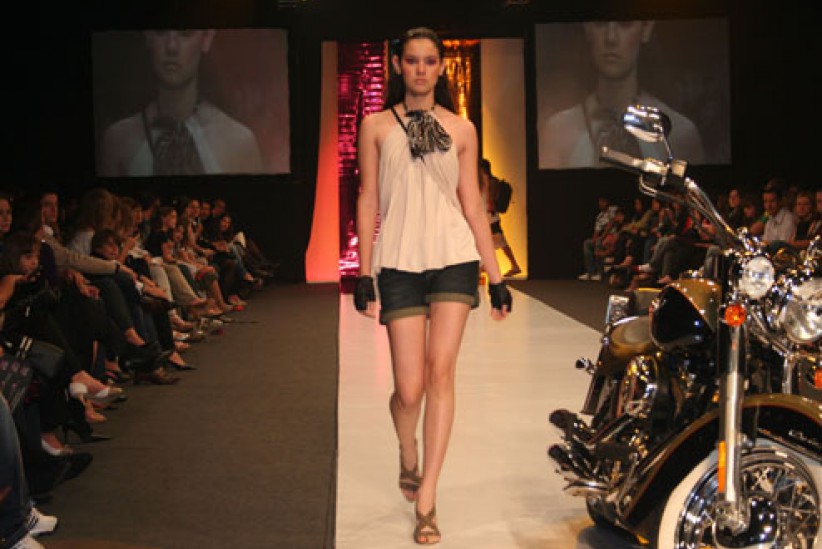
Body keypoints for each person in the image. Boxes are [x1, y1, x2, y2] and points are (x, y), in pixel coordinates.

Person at [354, 27, 511, 545]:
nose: (420, 69)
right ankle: (408, 452)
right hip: (399, 262)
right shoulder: (376, 125)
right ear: (397, 65)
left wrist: (496, 276)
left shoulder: (461, 128)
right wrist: (364, 271)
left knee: (440, 372)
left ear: (441, 67)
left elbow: (472, 203)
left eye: (429, 61)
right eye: (412, 60)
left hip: (453, 259)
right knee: (409, 389)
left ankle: (427, 499)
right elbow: (368, 197)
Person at [539, 20, 705, 169]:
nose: (611, 38)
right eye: (601, 23)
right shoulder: (558, 133)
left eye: (625, 24)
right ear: (587, 28)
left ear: (646, 28)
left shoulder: (679, 135)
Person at [97, 30, 263, 177]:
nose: (171, 47)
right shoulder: (118, 141)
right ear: (147, 35)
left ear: (207, 37)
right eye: (161, 31)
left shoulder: (239, 143)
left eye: (185, 33)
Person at [479, 158, 522, 277]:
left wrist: (489, 204)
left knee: (497, 240)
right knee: (494, 241)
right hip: (490, 214)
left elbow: (488, 196)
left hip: (489, 215)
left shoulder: (485, 179)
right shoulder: (493, 180)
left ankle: (512, 265)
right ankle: (485, 265)